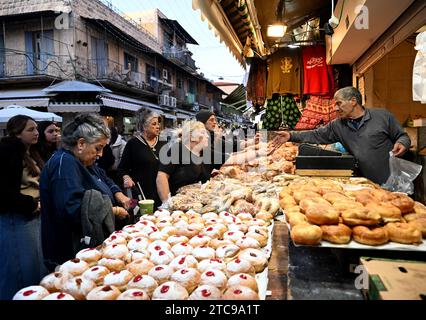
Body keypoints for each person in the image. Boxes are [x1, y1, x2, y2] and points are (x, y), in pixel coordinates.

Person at [40, 114, 130, 271]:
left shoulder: (84, 160)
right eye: (98, 148)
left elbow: (104, 177)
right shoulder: (65, 164)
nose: (100, 154)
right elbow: (73, 208)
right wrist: (113, 210)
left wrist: (117, 193)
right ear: (81, 143)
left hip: (84, 249)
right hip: (70, 252)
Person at [271, 86, 411, 185]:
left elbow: (402, 136)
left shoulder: (382, 116)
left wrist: (403, 143)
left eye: (339, 103)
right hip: (364, 182)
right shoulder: (338, 125)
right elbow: (315, 135)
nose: (336, 108)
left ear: (353, 101)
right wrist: (290, 135)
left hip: (393, 180)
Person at [0, 115, 47, 300]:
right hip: (16, 219)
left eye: (36, 128)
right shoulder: (9, 151)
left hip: (30, 217)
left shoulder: (29, 151)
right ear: (17, 133)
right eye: (30, 129)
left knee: (33, 266)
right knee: (20, 269)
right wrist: (31, 204)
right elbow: (4, 192)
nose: (36, 132)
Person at [118, 109, 167, 209]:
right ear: (144, 126)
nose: (158, 127)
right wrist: (126, 177)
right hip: (141, 193)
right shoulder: (133, 144)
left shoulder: (163, 143)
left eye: (158, 123)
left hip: (162, 192)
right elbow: (122, 168)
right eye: (154, 124)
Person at [156, 120, 211, 204]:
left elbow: (230, 158)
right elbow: (161, 177)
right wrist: (167, 203)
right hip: (179, 205)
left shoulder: (202, 152)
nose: (207, 136)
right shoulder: (177, 149)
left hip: (196, 204)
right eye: (203, 133)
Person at [195, 110, 237, 174]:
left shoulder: (211, 136)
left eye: (215, 120)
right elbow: (214, 156)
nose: (215, 123)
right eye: (211, 120)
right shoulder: (199, 143)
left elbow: (231, 146)